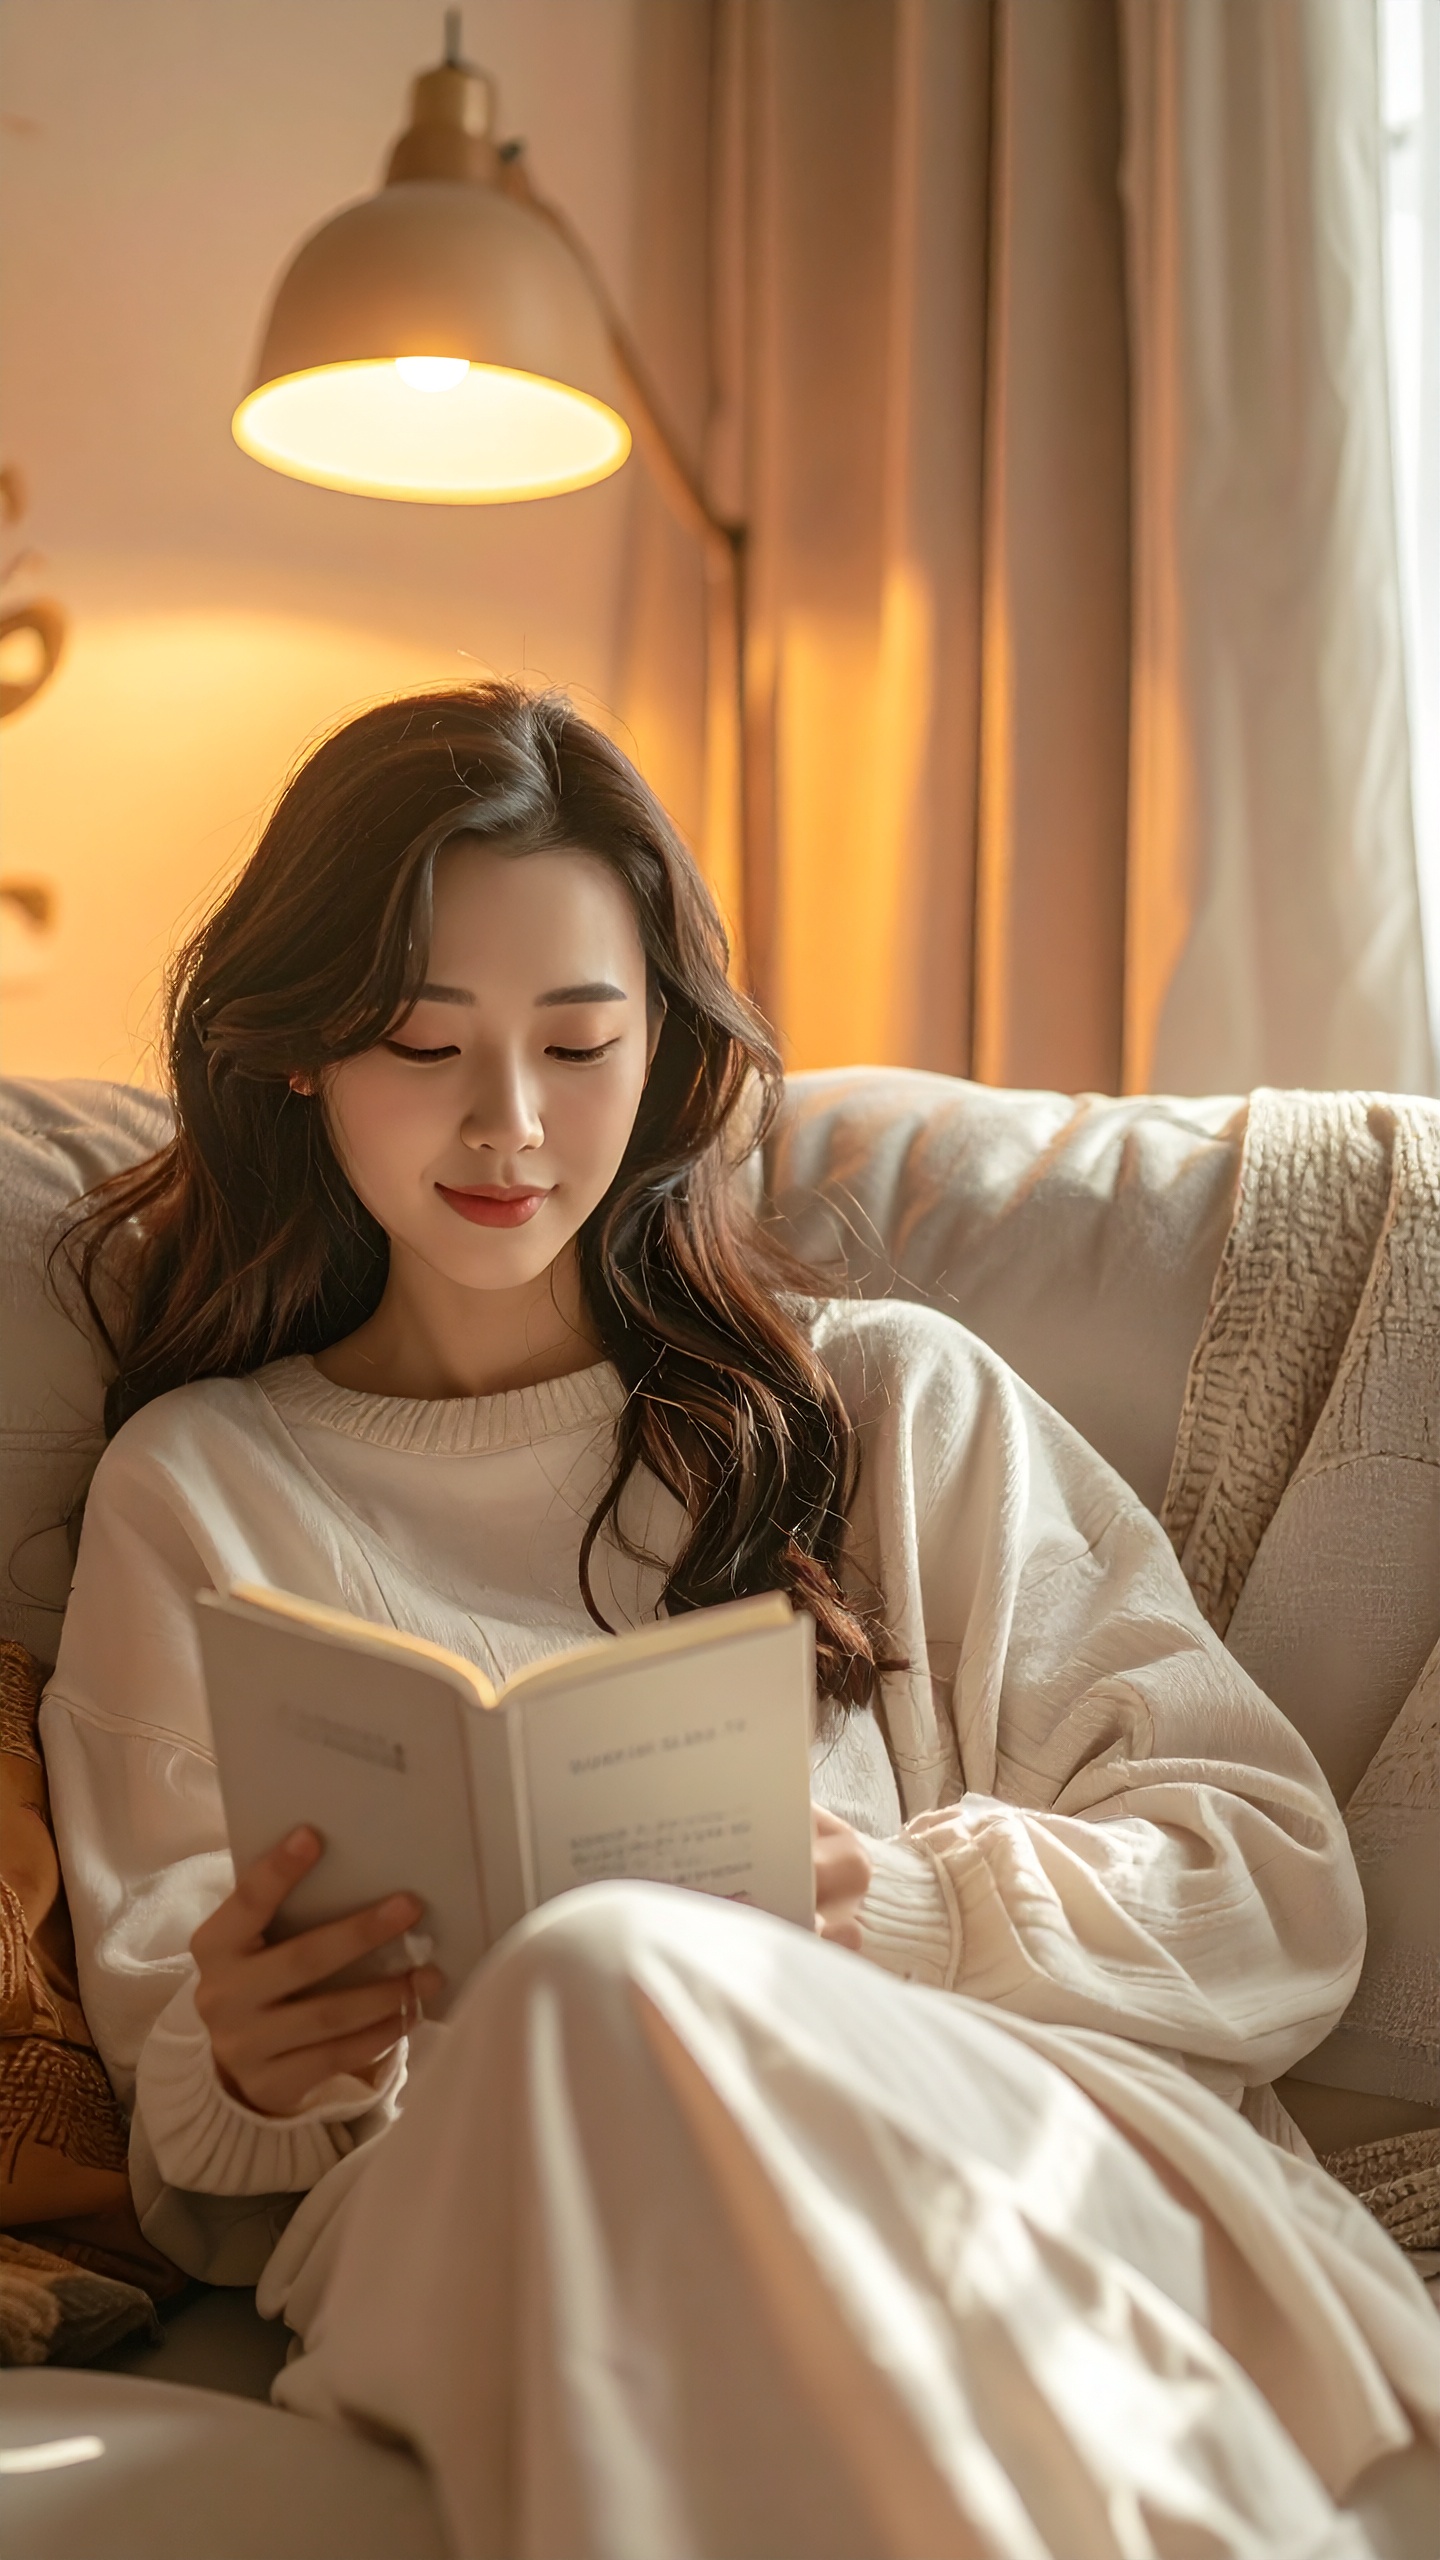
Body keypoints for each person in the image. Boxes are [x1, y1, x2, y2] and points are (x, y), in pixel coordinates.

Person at [42, 684, 1438, 2560]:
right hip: (474, 2226)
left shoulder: (885, 1409)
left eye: (579, 1042)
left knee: (607, 1974)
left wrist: (894, 1898)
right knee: (588, 1989)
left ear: (667, 1054)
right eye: (422, 1041)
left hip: (948, 2133)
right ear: (301, 1054)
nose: (509, 1123)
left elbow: (1276, 1895)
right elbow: (199, 2160)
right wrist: (266, 2067)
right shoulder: (199, 1487)